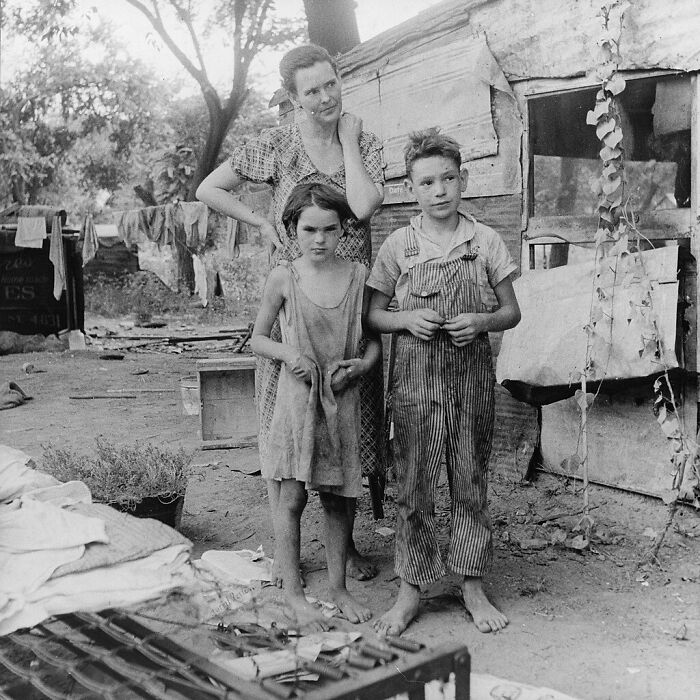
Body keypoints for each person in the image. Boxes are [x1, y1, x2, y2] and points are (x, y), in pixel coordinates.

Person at [196, 44, 384, 583]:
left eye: (331, 84)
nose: (326, 98)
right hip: (295, 300)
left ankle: (343, 550)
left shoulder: (363, 142)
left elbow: (365, 207)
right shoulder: (276, 145)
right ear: (293, 99)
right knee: (293, 420)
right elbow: (209, 187)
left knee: (349, 418)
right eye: (312, 91)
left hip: (349, 302)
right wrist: (258, 222)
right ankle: (289, 550)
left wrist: (345, 139)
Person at [366, 128, 521, 636]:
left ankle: (471, 583)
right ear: (412, 188)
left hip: (471, 382)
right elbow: (374, 315)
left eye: (448, 179)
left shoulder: (485, 241)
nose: (439, 190)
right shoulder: (398, 246)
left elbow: (510, 312)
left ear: (463, 180)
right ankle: (411, 590)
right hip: (413, 386)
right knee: (413, 485)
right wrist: (405, 321)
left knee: (469, 480)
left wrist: (480, 321)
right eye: (427, 181)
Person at [250, 183, 380, 630]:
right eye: (309, 230)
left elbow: (375, 341)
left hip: (341, 400)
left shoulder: (359, 275)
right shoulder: (285, 277)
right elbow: (258, 337)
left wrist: (361, 366)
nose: (319, 239)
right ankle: (293, 594)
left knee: (339, 500)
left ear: (344, 228)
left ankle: (338, 588)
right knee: (292, 495)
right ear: (292, 229)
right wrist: (290, 354)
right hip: (296, 401)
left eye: (329, 229)